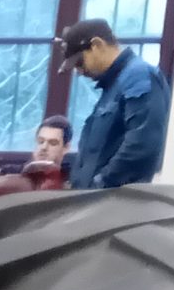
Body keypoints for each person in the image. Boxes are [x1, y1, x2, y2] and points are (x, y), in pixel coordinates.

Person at [56, 20, 168, 190]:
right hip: (98, 198)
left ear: (97, 45)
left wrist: (99, 185)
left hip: (113, 200)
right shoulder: (115, 85)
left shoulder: (138, 76)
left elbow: (142, 145)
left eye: (79, 62)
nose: (79, 71)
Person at [0, 115, 72, 199]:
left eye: (52, 143)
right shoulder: (10, 171)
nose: (44, 147)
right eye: (40, 141)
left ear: (66, 148)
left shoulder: (72, 178)